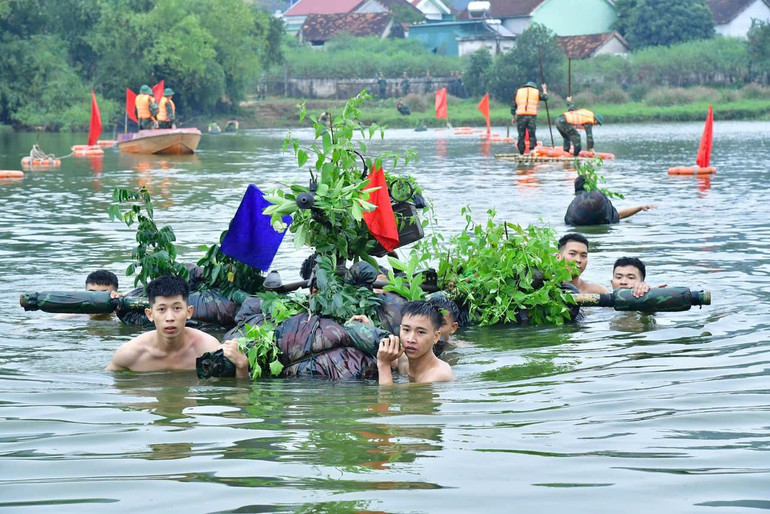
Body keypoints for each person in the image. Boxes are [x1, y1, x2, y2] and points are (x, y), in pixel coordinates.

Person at [105, 275, 243, 374]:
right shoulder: (130, 353)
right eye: (161, 309)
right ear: (149, 315)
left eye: (177, 308)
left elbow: (236, 393)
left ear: (189, 312)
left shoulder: (208, 349)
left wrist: (242, 366)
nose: (170, 318)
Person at [377, 301, 454, 385]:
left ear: (436, 337)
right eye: (406, 330)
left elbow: (386, 397)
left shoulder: (438, 376)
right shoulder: (402, 360)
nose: (411, 339)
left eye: (420, 332)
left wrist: (383, 364)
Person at [565, 175, 656, 226]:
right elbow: (619, 215)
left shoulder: (575, 205)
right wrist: (640, 207)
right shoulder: (600, 201)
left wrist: (639, 208)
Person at [512, 81, 548, 155]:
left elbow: (513, 106)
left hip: (521, 116)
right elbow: (545, 98)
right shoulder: (536, 92)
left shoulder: (518, 92)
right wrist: (544, 89)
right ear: (534, 87)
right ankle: (532, 150)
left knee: (521, 135)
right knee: (532, 134)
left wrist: (513, 117)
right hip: (531, 116)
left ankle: (521, 152)